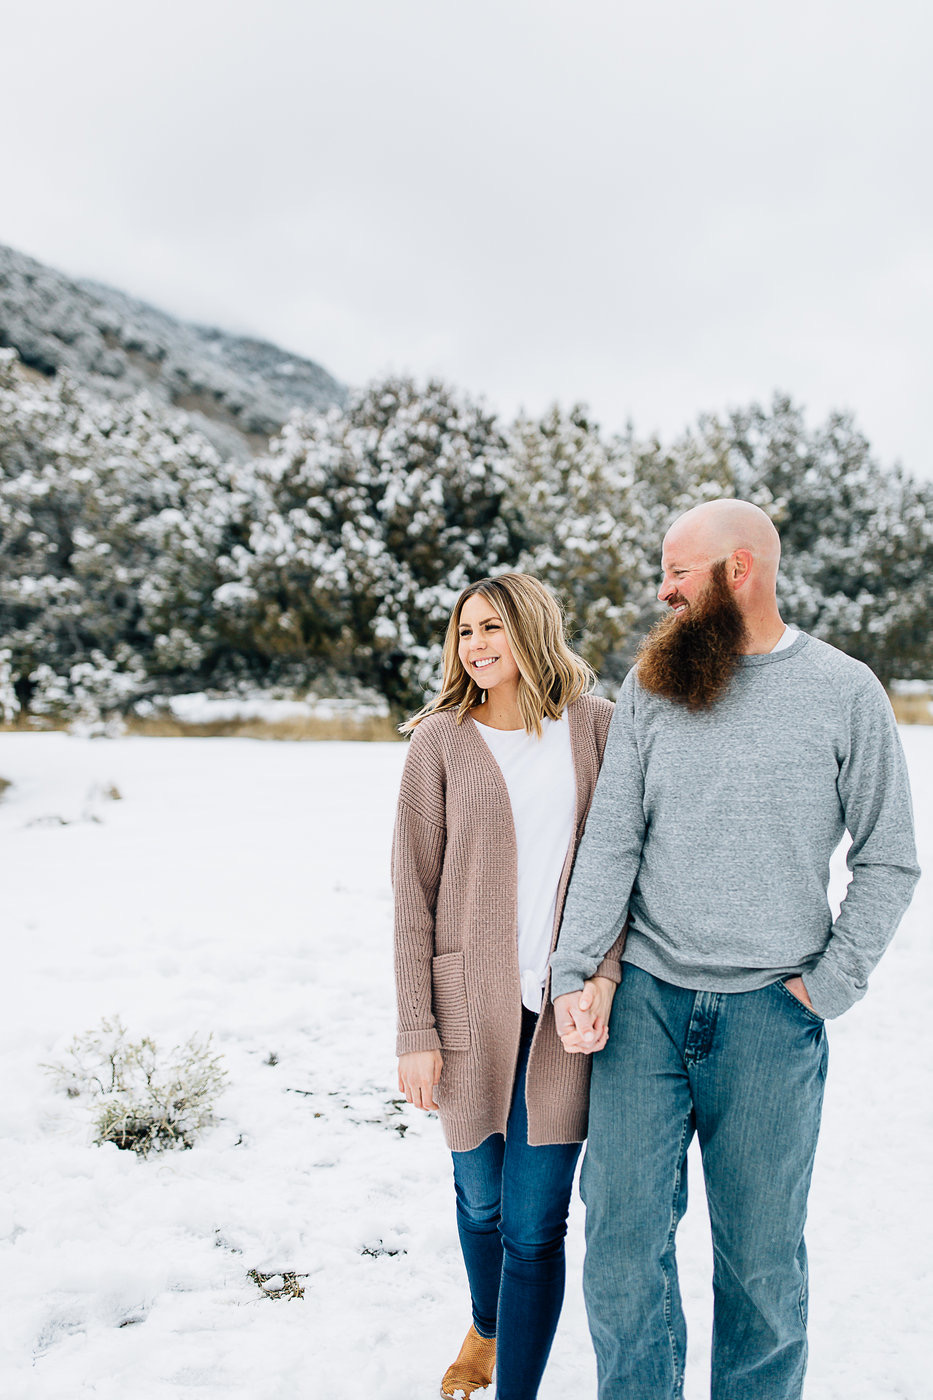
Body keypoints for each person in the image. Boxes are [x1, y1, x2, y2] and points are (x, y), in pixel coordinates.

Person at [551, 499, 920, 1400]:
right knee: (622, 1241)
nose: (663, 588)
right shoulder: (652, 684)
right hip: (644, 1003)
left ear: (739, 569)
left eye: (678, 570)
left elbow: (888, 856)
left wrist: (829, 983)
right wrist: (578, 967)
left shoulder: (845, 692)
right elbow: (613, 838)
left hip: (769, 1018)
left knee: (759, 1263)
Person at [392, 572, 626, 1400]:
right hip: (465, 1009)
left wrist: (599, 974)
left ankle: (513, 1388)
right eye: (464, 632)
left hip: (564, 1018)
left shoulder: (598, 728)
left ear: (532, 631)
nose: (476, 646)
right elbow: (412, 894)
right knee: (480, 1198)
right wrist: (414, 1030)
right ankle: (485, 1325)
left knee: (534, 1224)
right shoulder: (440, 742)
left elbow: (623, 866)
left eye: (491, 628)